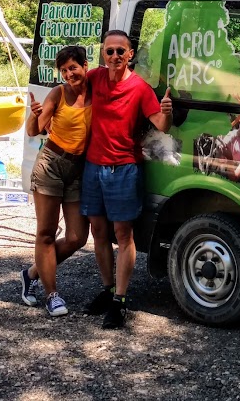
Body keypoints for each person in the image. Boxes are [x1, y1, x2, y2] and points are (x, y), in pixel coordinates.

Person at [82, 30, 172, 329]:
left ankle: (120, 300)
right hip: (94, 166)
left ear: (130, 54)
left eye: (121, 51)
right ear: (103, 53)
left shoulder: (140, 88)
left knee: (123, 235)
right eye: (110, 51)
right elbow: (69, 84)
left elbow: (160, 123)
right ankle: (107, 290)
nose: (115, 56)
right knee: (98, 231)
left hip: (124, 168)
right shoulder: (94, 78)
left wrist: (167, 111)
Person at [19, 46, 93, 317]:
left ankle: (31, 274)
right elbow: (33, 130)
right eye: (63, 70)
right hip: (51, 164)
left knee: (77, 237)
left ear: (85, 65)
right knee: (46, 233)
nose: (68, 74)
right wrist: (34, 113)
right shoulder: (58, 93)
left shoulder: (96, 91)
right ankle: (52, 295)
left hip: (77, 169)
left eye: (73, 68)